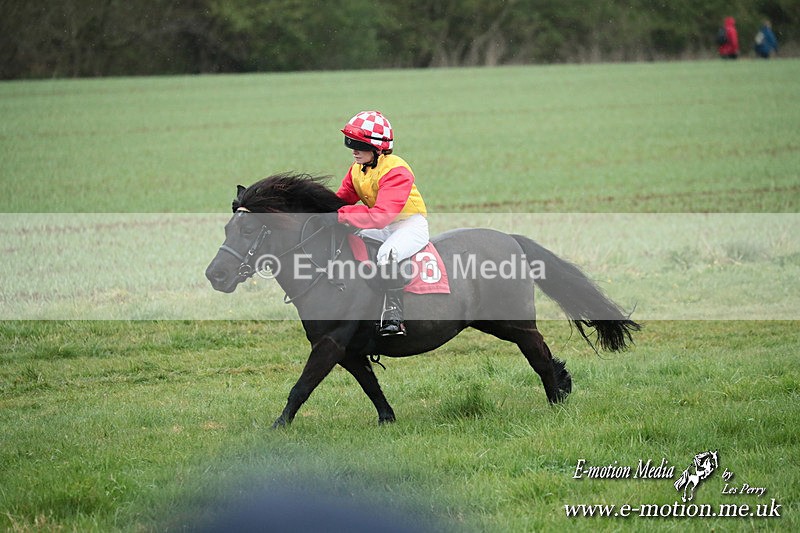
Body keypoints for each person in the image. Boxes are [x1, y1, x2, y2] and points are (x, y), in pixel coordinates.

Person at [328, 110, 429, 336]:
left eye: (359, 145)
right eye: (350, 143)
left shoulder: (396, 170)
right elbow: (340, 201)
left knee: (387, 254)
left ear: (378, 148)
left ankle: (394, 314)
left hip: (409, 226)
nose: (353, 150)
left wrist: (340, 216)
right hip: (384, 227)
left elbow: (381, 215)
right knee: (351, 239)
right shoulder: (357, 169)